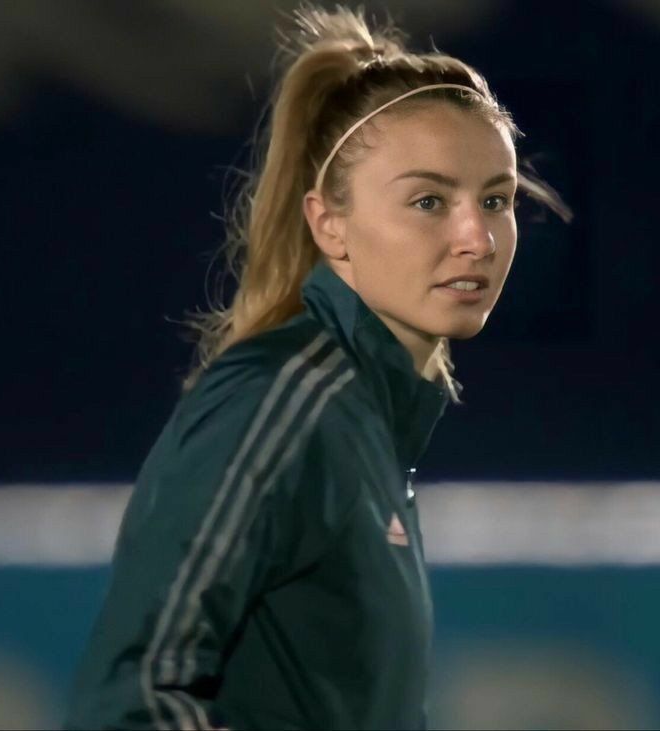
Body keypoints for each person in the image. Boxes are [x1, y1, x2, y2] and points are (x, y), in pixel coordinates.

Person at [65, 4, 571, 730]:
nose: (476, 237)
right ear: (329, 224)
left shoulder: (364, 415)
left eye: (495, 199)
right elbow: (133, 700)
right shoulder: (289, 398)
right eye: (429, 200)